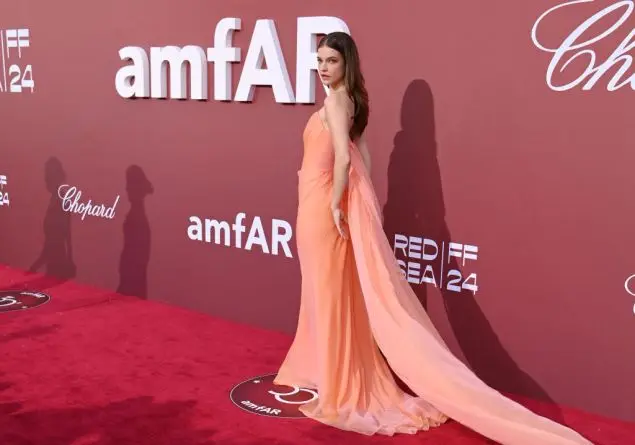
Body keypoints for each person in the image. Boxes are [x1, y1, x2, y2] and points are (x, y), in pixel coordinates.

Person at [273, 32, 593, 445]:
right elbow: (361, 155)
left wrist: (337, 203)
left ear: (347, 63)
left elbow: (341, 153)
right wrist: (361, 198)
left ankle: (341, 383)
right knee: (335, 292)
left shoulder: (336, 102)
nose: (322, 68)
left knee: (331, 293)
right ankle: (339, 371)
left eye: (331, 61)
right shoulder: (348, 102)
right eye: (319, 60)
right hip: (322, 203)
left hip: (322, 209)